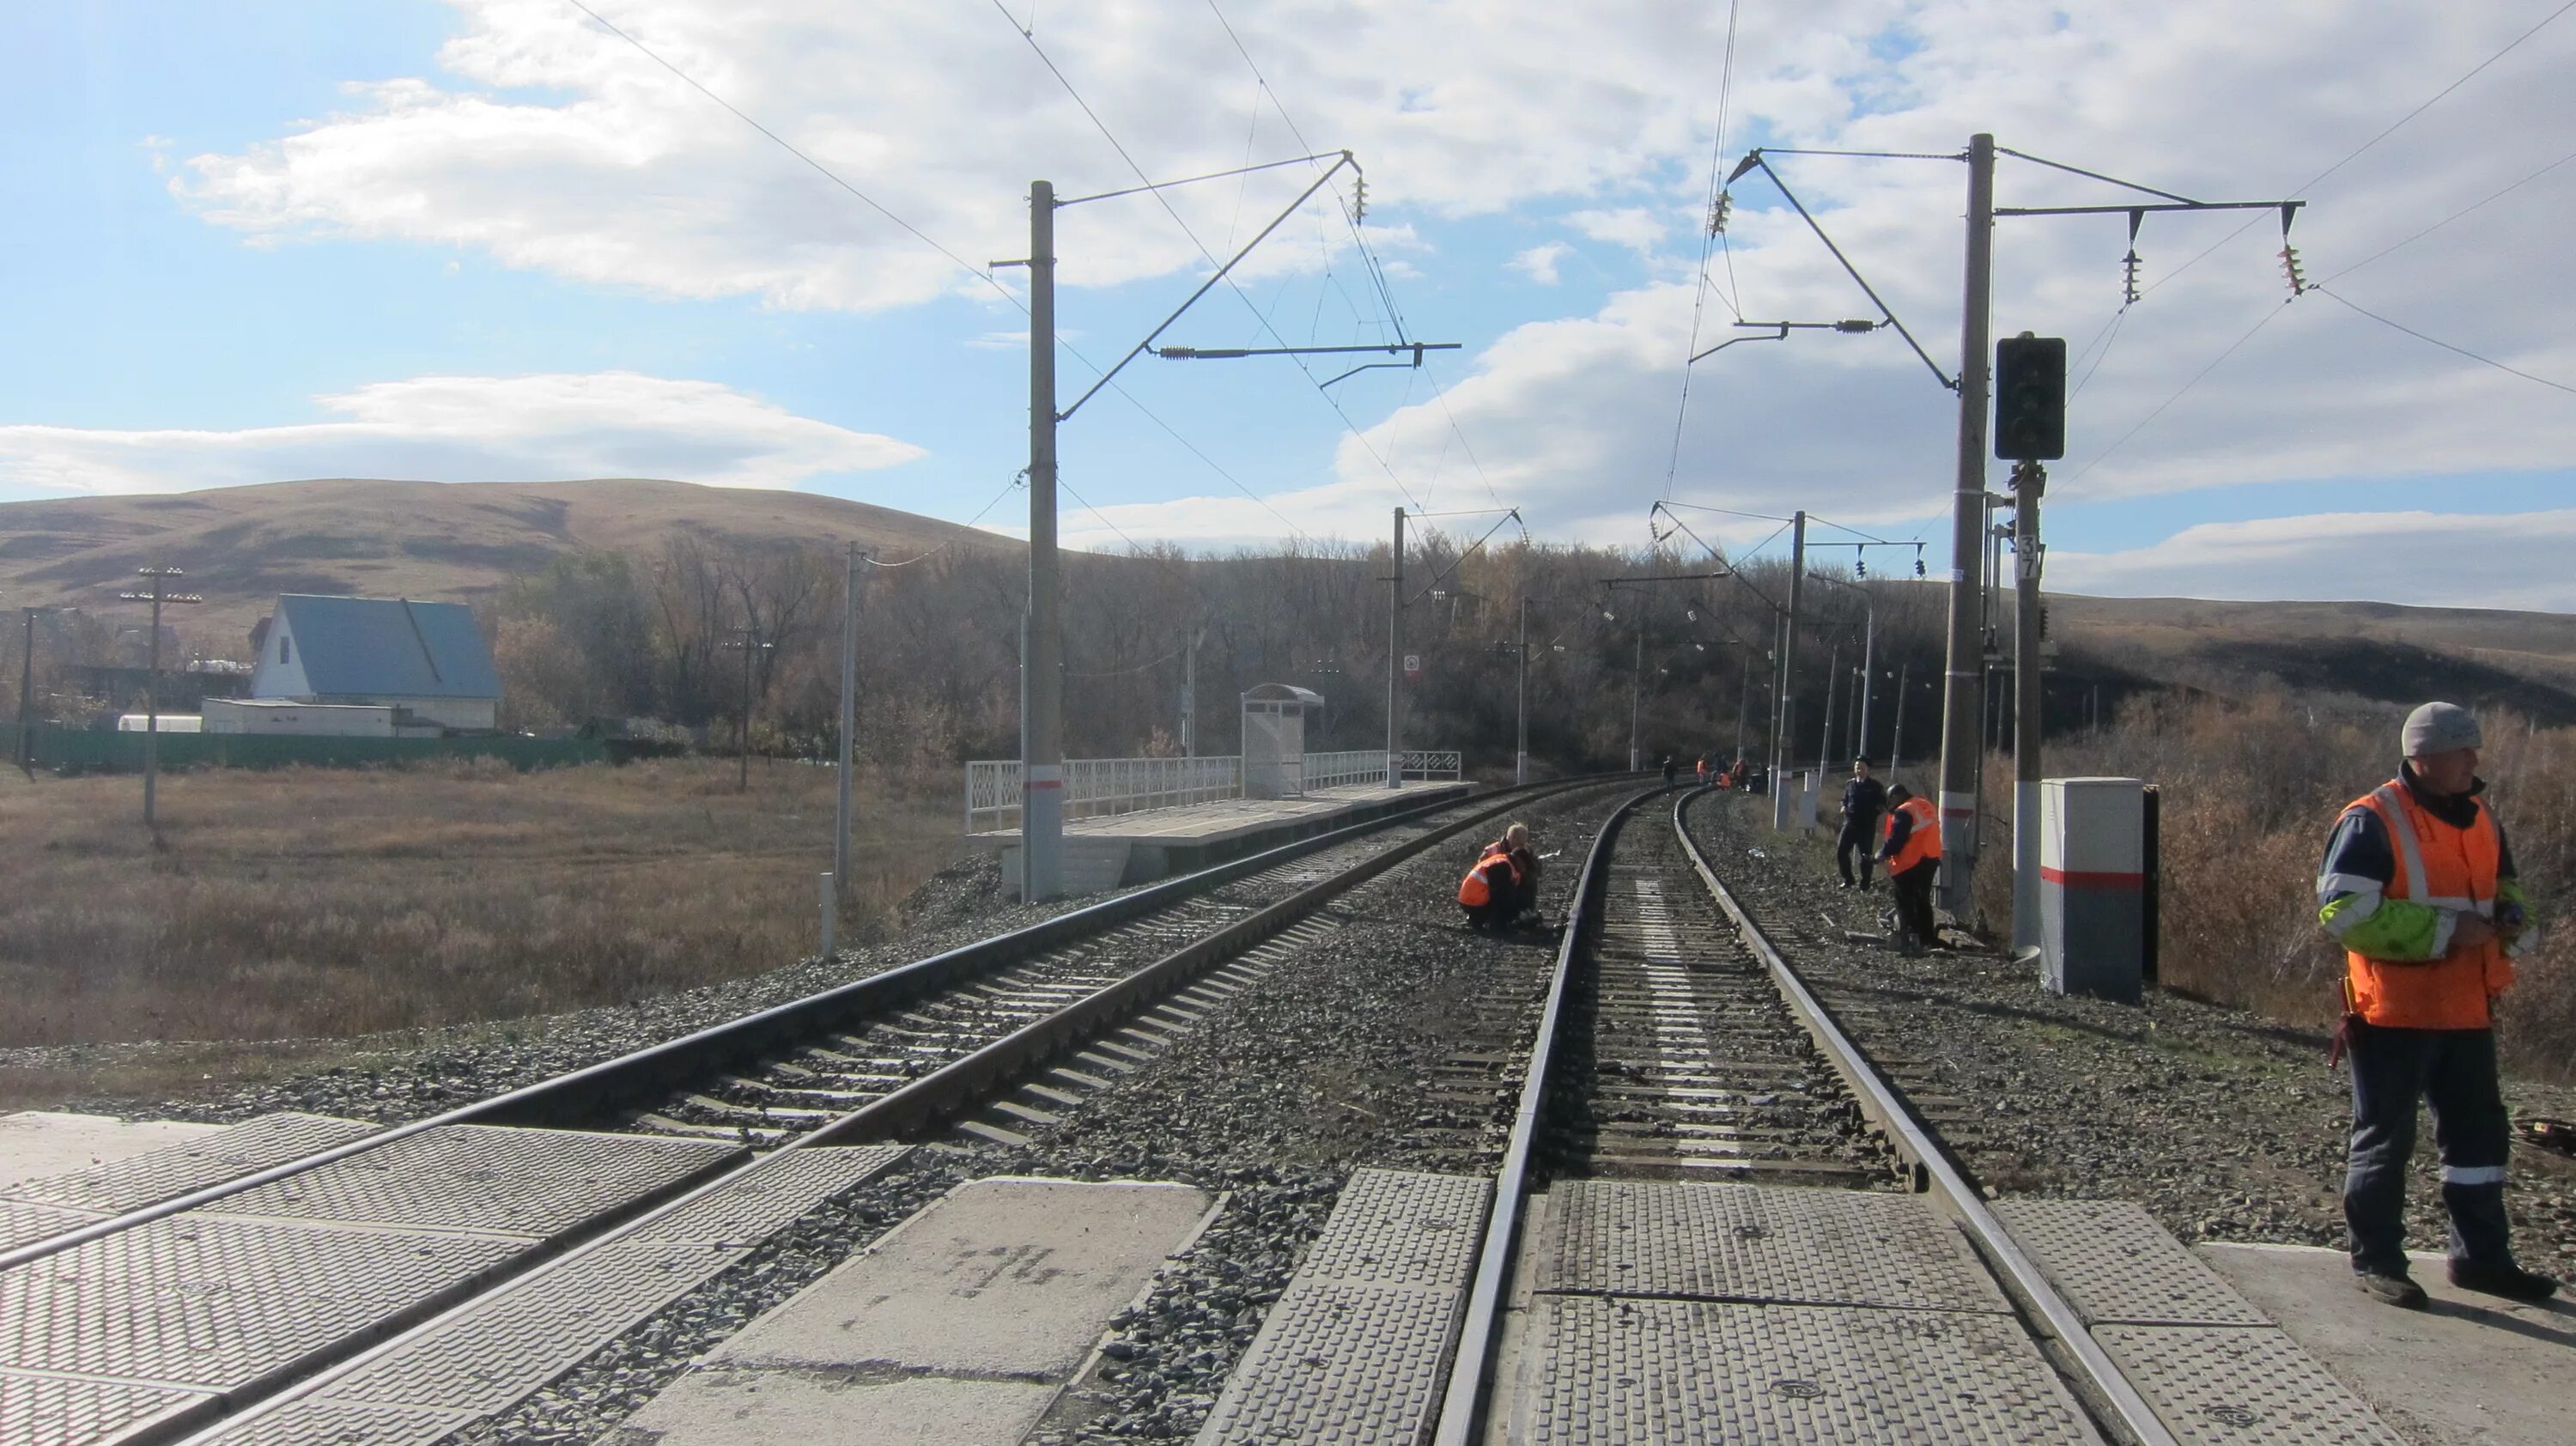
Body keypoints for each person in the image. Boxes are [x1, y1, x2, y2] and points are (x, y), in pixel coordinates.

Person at [2316, 702, 2557, 1307]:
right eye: (2462, 750)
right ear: (2423, 757)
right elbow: (2344, 914)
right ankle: (2377, 1261)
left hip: (2467, 1010)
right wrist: (2448, 931)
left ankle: (2481, 1261)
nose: (2474, 760)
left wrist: (2512, 913)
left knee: (2479, 1142)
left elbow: (2505, 885)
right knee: (2385, 1141)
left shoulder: (2481, 817)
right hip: (2393, 1014)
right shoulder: (2371, 819)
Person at [1878, 783, 1941, 952]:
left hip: (1911, 861)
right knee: (1923, 900)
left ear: (1895, 797)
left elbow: (1897, 840)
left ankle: (1909, 939)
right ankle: (1927, 938)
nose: (1889, 804)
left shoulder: (1903, 811)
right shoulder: (1924, 804)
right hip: (1931, 858)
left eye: (1890, 800)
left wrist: (1881, 854)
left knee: (1905, 901)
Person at [1459, 822, 1542, 929]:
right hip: (1478, 896)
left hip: (1479, 894)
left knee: (1521, 884)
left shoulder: (1524, 851)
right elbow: (1499, 893)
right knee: (1506, 892)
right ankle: (1497, 920)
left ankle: (1524, 912)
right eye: (1519, 841)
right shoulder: (1497, 856)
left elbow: (1534, 869)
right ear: (1511, 838)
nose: (1520, 845)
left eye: (1523, 842)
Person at [1836, 757, 1887, 891]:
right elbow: (1844, 799)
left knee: (1866, 855)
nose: (1859, 770)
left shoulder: (1875, 786)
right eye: (1857, 767)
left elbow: (1883, 803)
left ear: (1868, 769)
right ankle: (1848, 879)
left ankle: (1865, 884)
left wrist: (1873, 813)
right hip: (1850, 823)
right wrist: (1843, 807)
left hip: (1867, 825)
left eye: (1862, 767)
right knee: (1841, 851)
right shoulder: (1850, 784)